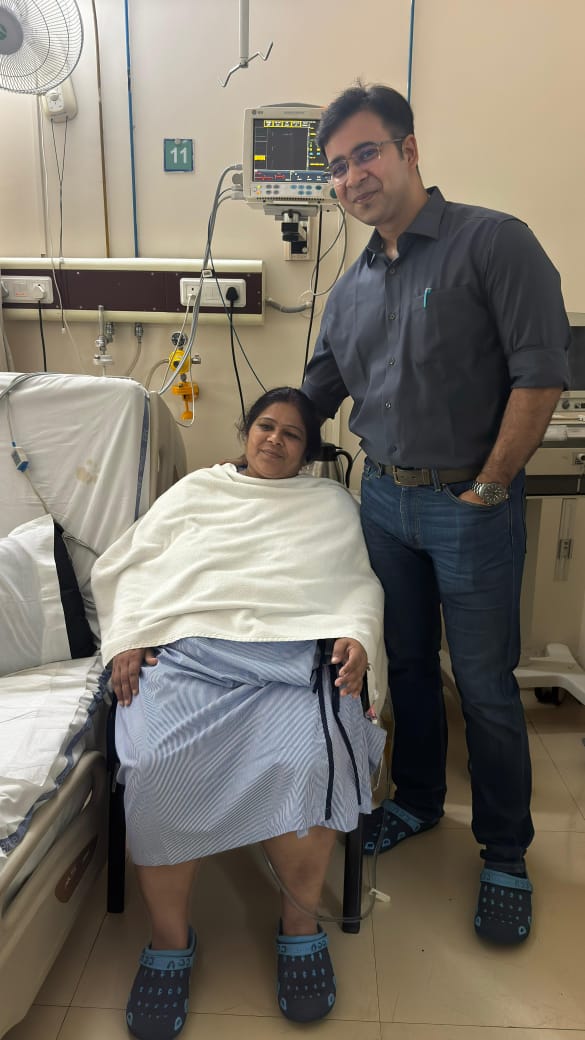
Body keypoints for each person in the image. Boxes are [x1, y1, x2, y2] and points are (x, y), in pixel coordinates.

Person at [301, 83, 571, 947]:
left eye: (366, 153)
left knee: (484, 683)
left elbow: (540, 375)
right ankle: (417, 799)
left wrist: (489, 486)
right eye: (337, 166)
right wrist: (254, 455)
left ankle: (505, 852)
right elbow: (314, 394)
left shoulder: (492, 244)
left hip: (468, 501)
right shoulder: (348, 289)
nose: (352, 176)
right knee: (408, 667)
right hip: (383, 503)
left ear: (408, 149)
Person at [91, 387, 386, 1040]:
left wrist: (357, 635)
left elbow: (359, 582)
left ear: (308, 452)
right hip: (191, 654)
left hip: (291, 660)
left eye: (291, 434)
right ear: (246, 432)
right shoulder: (198, 492)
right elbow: (132, 565)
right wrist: (129, 636)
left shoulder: (329, 504)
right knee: (154, 764)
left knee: (308, 761)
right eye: (265, 426)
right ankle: (170, 940)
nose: (274, 440)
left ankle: (299, 925)